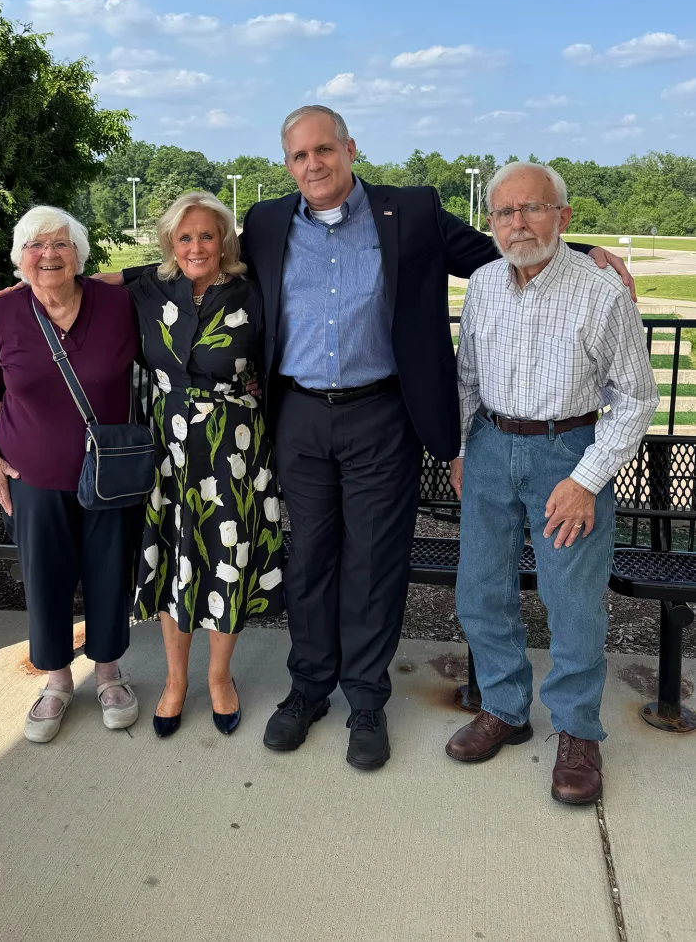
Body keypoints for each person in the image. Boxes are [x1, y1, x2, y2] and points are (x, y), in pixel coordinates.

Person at [240, 105, 636, 772]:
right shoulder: (266, 221)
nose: (313, 164)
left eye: (324, 149)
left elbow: (509, 246)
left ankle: (367, 701)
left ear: (350, 149)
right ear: (287, 165)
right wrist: (89, 279)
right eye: (299, 155)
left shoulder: (411, 213)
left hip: (381, 413)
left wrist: (587, 252)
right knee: (307, 560)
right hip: (299, 415)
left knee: (373, 564)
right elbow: (204, 268)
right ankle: (307, 689)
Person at [446, 162, 657, 804]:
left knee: (572, 602)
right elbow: (466, 375)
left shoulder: (601, 291)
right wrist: (462, 450)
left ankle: (577, 730)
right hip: (489, 445)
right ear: (491, 222)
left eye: (533, 208)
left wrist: (586, 479)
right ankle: (504, 708)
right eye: (505, 212)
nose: (518, 223)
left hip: (568, 452)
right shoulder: (484, 283)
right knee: (481, 591)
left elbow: (636, 399)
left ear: (562, 217)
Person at [99, 191, 284, 736]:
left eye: (207, 235)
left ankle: (219, 678)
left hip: (234, 446)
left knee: (228, 554)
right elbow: (82, 287)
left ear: (225, 240)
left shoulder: (253, 291)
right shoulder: (149, 287)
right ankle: (175, 681)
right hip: (169, 447)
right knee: (171, 557)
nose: (196, 246)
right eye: (185, 237)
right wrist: (22, 287)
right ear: (170, 243)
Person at [0, 205, 141, 743]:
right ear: (20, 257)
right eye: (36, 245)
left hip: (109, 473)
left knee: (109, 571)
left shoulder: (116, 305)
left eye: (61, 244)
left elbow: (175, 279)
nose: (48, 255)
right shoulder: (3, 311)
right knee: (45, 577)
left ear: (79, 255)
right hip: (33, 475)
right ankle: (56, 681)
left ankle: (109, 674)